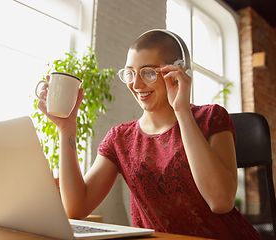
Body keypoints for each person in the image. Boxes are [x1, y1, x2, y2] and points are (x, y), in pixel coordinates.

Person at [37, 29, 261, 239]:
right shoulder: (120, 139)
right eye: (130, 73)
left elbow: (220, 201)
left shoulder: (211, 118)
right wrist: (66, 128)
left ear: (176, 72)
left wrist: (181, 110)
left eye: (148, 72)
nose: (135, 84)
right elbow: (75, 208)